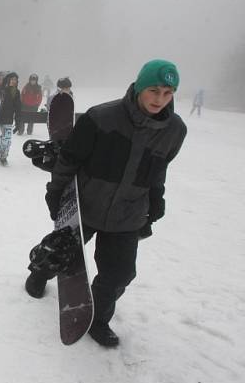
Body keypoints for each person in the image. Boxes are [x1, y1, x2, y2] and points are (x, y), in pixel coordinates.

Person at [24, 59, 187, 348]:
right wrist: (56, 190)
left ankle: (97, 319)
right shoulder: (102, 117)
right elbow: (70, 158)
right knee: (61, 252)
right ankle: (40, 273)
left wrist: (155, 202)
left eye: (168, 93)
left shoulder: (175, 130)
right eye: (153, 90)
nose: (160, 99)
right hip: (86, 205)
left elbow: (159, 169)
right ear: (139, 86)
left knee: (120, 274)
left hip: (129, 214)